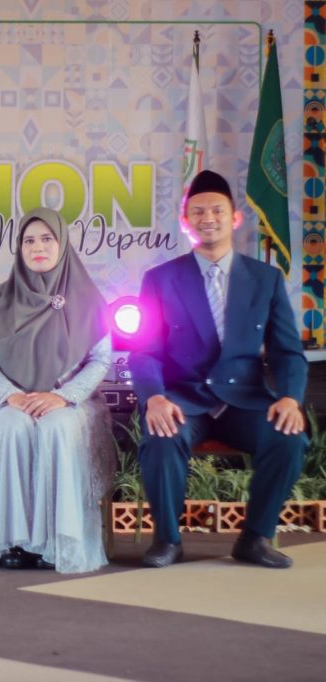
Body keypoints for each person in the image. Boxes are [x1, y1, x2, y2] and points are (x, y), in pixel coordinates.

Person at [129, 169, 307, 569]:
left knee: (289, 438)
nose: (207, 218)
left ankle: (255, 538)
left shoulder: (266, 279)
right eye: (198, 211)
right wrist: (154, 397)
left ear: (235, 217)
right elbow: (144, 352)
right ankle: (167, 540)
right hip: (183, 399)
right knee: (161, 436)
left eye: (216, 210)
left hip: (244, 400)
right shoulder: (160, 279)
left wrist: (290, 398)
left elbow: (288, 352)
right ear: (185, 221)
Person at [0, 207, 114, 573]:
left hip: (70, 401)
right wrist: (9, 395)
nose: (38, 247)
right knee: (11, 425)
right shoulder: (0, 300)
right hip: (15, 399)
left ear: (62, 243)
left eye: (47, 239)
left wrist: (63, 397)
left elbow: (100, 360)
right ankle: (15, 542)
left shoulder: (88, 299)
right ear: (19, 248)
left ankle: (57, 542)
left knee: (56, 427)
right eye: (29, 240)